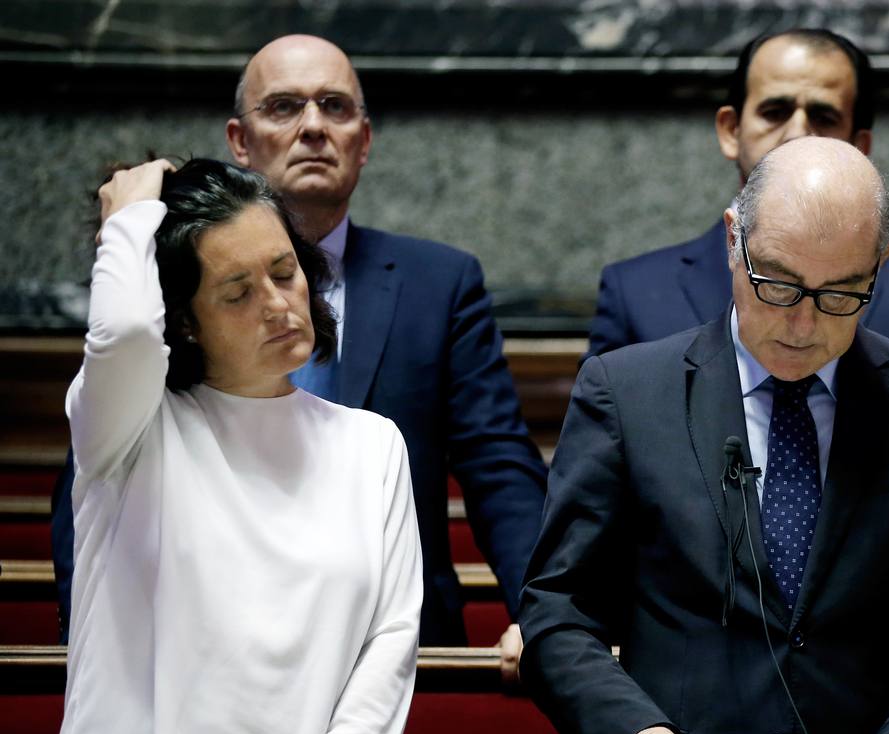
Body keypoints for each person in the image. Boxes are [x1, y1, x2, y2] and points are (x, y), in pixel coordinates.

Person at [520, 137, 889, 734]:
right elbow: (558, 610)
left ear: (880, 267)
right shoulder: (626, 393)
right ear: (733, 240)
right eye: (777, 283)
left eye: (841, 294)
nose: (801, 323)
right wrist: (627, 731)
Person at [53, 35, 547, 656]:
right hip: (211, 640)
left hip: (399, 644)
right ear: (240, 141)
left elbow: (498, 465)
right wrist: (87, 642)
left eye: (335, 107)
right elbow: (97, 469)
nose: (313, 126)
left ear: (363, 142)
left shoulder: (439, 283)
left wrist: (543, 618)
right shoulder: (162, 278)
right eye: (284, 107)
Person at [51, 158, 421, 734]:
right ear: (186, 320)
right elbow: (126, 334)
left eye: (285, 272)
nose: (279, 306)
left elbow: (388, 637)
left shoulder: (371, 445)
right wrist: (130, 219)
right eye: (237, 292)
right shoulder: (131, 429)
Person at [588, 28, 889, 368]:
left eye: (824, 116)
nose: (798, 133)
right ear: (731, 131)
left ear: (859, 145)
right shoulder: (633, 294)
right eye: (775, 111)